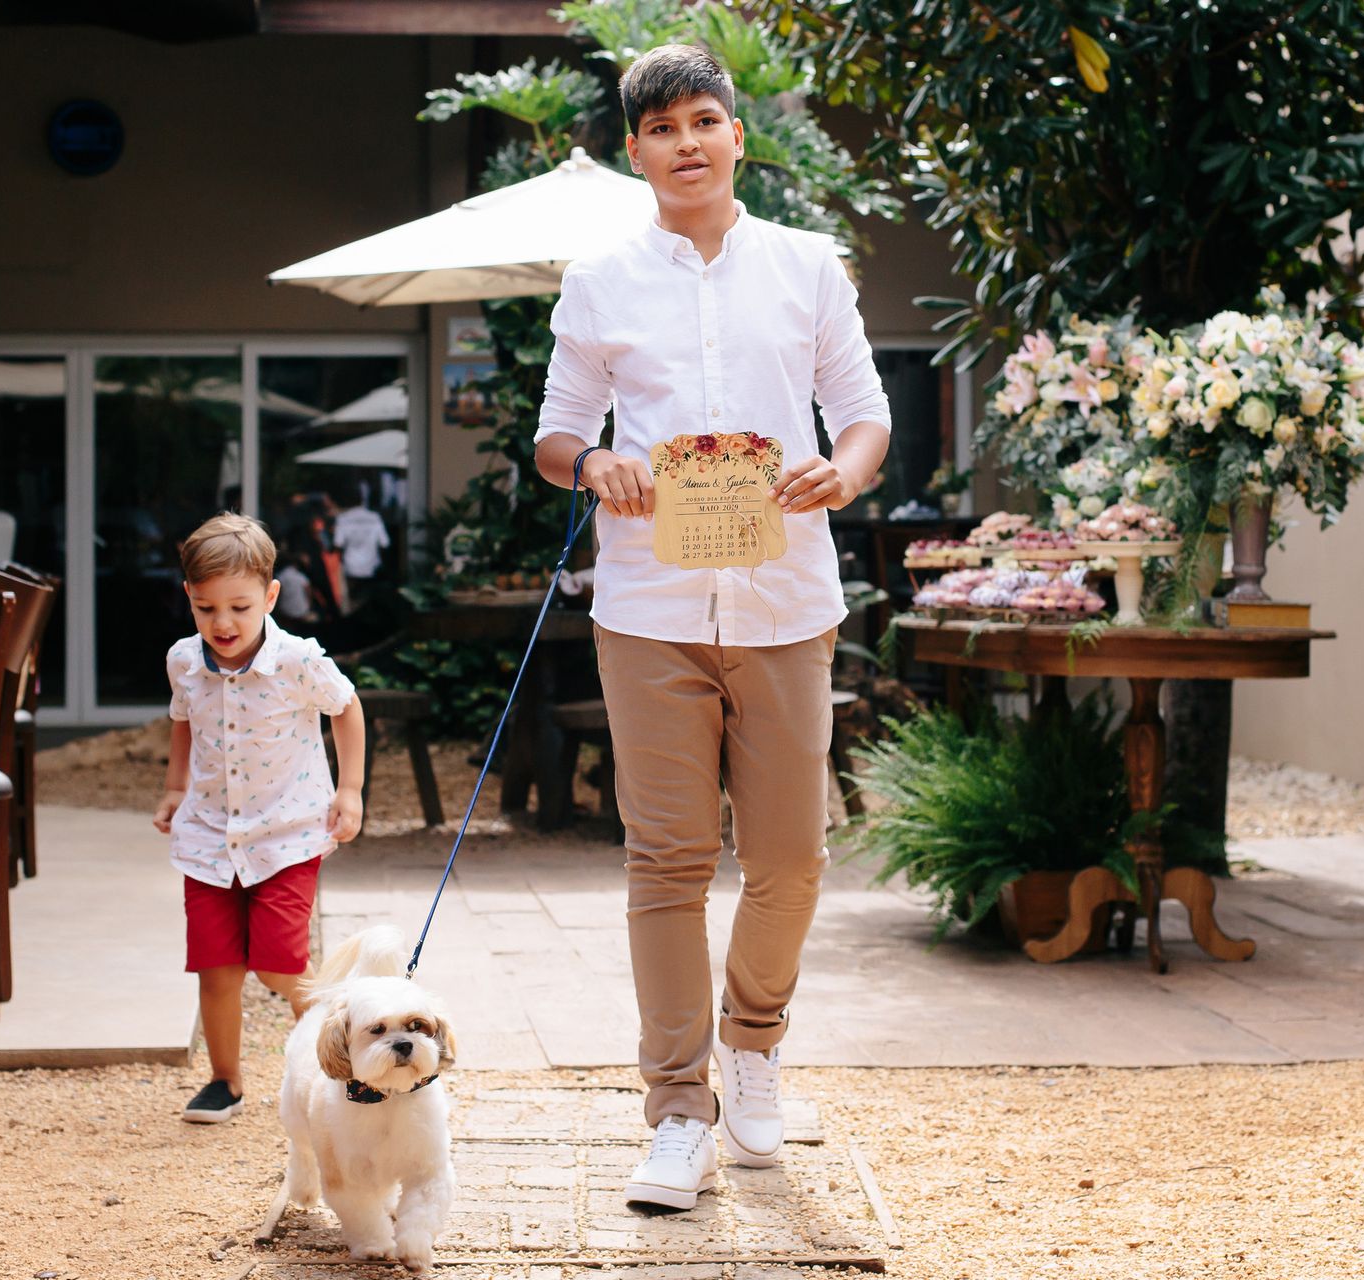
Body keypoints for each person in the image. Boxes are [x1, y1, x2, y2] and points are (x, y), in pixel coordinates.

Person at [532, 44, 891, 1210]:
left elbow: (865, 414)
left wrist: (843, 471)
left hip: (788, 606)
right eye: (661, 128)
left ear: (736, 134)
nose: (685, 142)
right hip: (649, 608)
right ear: (635, 152)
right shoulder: (599, 281)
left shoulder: (806, 266)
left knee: (790, 858)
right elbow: (556, 433)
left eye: (702, 120)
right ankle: (679, 1108)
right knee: (668, 860)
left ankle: (755, 1041)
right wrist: (595, 465)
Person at [153, 512, 367, 1124]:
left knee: (278, 964)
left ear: (270, 597)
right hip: (208, 838)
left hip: (287, 835)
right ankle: (225, 1081)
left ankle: (337, 1056)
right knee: (216, 970)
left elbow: (346, 708)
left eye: (239, 608)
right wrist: (174, 788)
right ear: (189, 598)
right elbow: (182, 721)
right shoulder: (184, 661)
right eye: (206, 608)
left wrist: (350, 790)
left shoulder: (298, 660)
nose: (222, 623)